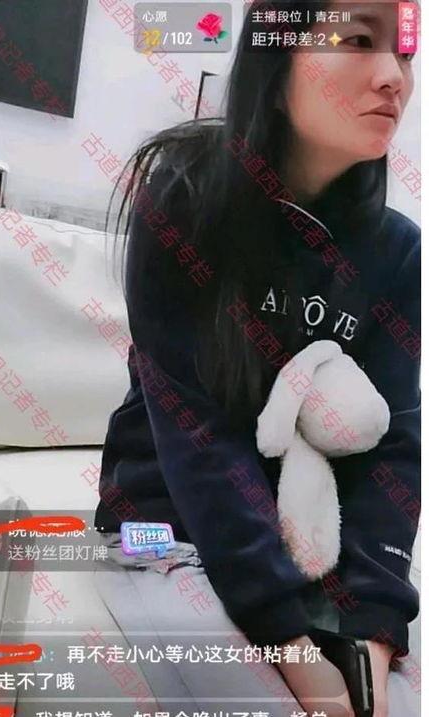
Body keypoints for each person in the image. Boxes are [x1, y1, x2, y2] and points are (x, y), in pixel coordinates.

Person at [95, 1, 420, 715]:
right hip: (168, 528)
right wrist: (297, 654)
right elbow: (198, 439)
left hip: (311, 542)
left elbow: (393, 445)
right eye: (358, 39)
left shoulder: (397, 252)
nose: (394, 76)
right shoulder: (184, 198)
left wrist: (372, 630)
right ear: (276, 61)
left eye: (405, 49)